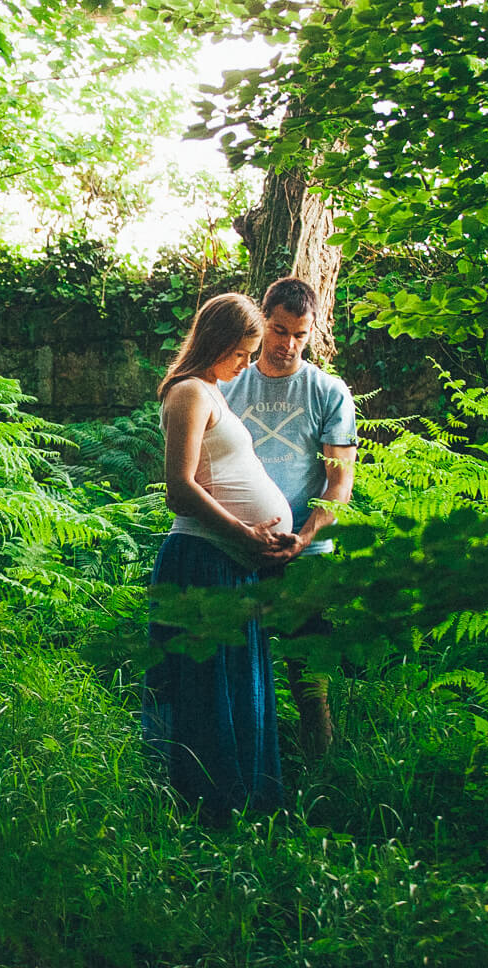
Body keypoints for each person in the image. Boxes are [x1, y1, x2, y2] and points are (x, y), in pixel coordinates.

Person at [143, 292, 301, 820]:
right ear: (215, 343)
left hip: (229, 561)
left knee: (234, 690)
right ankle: (207, 815)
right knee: (208, 697)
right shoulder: (189, 391)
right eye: (239, 354)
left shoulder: (212, 390)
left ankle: (237, 813)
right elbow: (180, 490)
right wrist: (245, 534)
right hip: (202, 561)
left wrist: (259, 544)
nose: (244, 365)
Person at [220, 277, 358, 758]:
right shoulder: (229, 383)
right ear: (263, 320)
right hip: (235, 546)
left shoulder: (328, 391)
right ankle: (246, 762)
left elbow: (339, 482)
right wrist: (235, 530)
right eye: (279, 331)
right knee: (235, 663)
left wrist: (304, 536)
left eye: (300, 334)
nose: (288, 345)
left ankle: (320, 771)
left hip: (308, 552)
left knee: (309, 675)